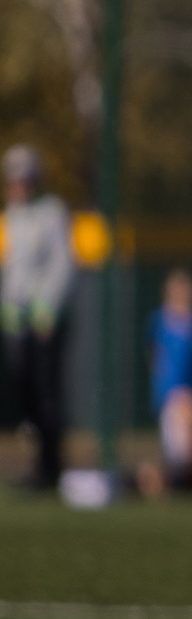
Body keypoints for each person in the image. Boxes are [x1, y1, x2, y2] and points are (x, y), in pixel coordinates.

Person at [2, 144, 76, 492]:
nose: (19, 186)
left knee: (48, 393)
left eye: (25, 179)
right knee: (24, 387)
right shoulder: (11, 216)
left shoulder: (53, 213)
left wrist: (47, 306)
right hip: (18, 319)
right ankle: (38, 463)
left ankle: (51, 466)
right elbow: (11, 272)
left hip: (46, 320)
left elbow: (63, 263)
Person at [136, 268, 192, 499]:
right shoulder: (159, 320)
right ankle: (151, 479)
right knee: (179, 449)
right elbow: (154, 355)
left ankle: (156, 480)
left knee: (188, 451)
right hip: (170, 391)